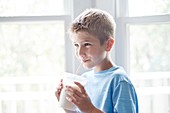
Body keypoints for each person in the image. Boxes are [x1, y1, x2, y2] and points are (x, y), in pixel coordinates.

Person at [55, 8, 138, 113]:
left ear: (108, 44)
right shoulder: (85, 79)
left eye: (87, 44)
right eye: (76, 45)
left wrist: (89, 109)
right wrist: (68, 107)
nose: (80, 52)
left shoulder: (119, 81)